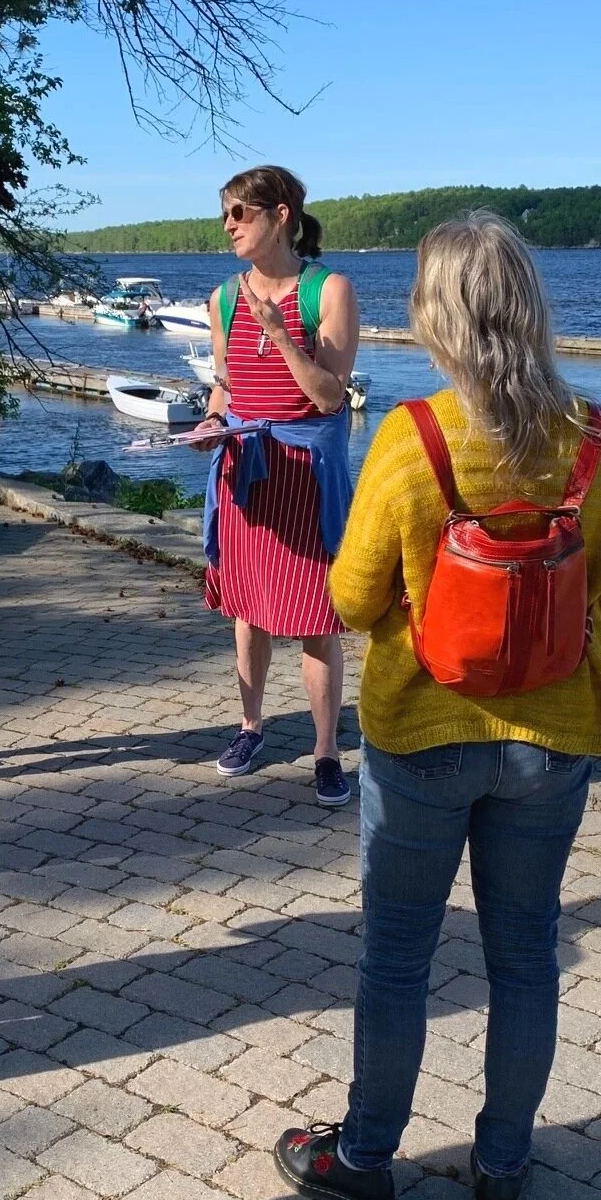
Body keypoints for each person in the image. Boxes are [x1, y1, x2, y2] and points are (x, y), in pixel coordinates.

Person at [274, 213, 601, 1200]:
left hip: (422, 735)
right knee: (525, 953)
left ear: (434, 314)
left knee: (397, 957)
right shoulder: (600, 442)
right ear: (530, 306)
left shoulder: (412, 438)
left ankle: (365, 1154)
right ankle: (503, 1166)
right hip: (556, 735)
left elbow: (350, 602)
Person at [193, 164, 360, 806]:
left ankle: (325, 751)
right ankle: (250, 727)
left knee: (317, 615)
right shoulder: (223, 298)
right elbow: (227, 388)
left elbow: (327, 397)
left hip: (307, 477)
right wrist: (211, 423)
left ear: (281, 213)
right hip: (246, 470)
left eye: (241, 212)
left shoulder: (329, 290)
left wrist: (281, 334)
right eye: (226, 215)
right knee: (249, 608)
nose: (229, 226)